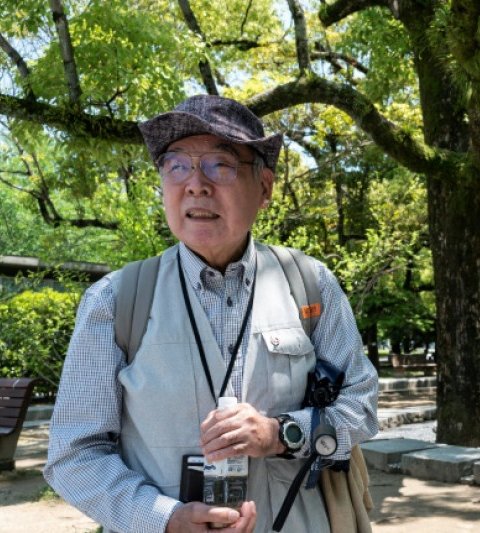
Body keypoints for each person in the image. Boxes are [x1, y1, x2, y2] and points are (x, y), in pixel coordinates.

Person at [44, 95, 379, 533]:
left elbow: (362, 405)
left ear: (264, 188)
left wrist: (281, 434)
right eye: (176, 165)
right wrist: (164, 519)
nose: (196, 184)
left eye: (221, 164)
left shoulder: (311, 285)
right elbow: (73, 453)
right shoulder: (115, 300)